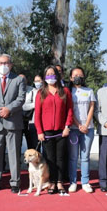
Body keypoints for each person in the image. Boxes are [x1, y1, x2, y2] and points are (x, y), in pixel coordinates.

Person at [0, 54, 26, 194]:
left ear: (11, 65)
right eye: (1, 63)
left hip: (13, 122)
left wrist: (9, 109)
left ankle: (15, 182)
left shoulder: (19, 80)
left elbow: (21, 98)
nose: (3, 65)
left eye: (6, 63)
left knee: (14, 154)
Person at [34, 65, 73, 194]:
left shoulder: (65, 91)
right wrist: (39, 131)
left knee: (61, 158)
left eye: (53, 74)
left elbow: (69, 110)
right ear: (44, 77)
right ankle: (51, 182)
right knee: (50, 158)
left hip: (62, 131)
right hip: (47, 132)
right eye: (48, 74)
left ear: (57, 75)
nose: (51, 77)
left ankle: (60, 182)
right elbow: (37, 114)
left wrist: (67, 126)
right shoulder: (41, 93)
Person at [67, 67, 96, 193]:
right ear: (71, 78)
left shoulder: (89, 91)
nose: (77, 77)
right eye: (75, 75)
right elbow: (69, 111)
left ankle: (85, 182)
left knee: (85, 157)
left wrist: (86, 124)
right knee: (73, 157)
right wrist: (78, 125)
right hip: (73, 128)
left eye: (80, 75)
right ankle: (73, 181)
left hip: (88, 129)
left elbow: (91, 108)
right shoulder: (68, 91)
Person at [22, 74, 42, 151]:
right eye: (36, 81)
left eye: (39, 81)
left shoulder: (33, 90)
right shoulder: (14, 91)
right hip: (20, 121)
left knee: (34, 145)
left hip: (31, 121)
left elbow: (23, 106)